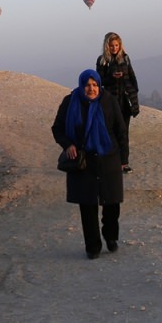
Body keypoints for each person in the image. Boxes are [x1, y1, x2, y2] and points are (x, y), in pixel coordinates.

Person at [51, 69, 128, 259]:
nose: (91, 89)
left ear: (99, 85)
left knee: (111, 203)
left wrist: (124, 160)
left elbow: (121, 130)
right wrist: (68, 144)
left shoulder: (108, 100)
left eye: (94, 85)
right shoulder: (70, 102)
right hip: (83, 161)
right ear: (81, 85)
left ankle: (110, 237)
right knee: (87, 205)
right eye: (87, 85)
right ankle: (92, 245)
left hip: (109, 158)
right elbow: (57, 128)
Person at [96, 32, 139, 173]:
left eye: (116, 45)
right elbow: (99, 81)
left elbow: (132, 77)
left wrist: (133, 93)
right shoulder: (102, 61)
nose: (114, 48)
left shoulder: (125, 59)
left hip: (125, 102)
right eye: (111, 45)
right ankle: (109, 162)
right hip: (110, 103)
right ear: (107, 46)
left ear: (120, 45)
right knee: (109, 132)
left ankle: (123, 163)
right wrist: (112, 78)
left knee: (123, 132)